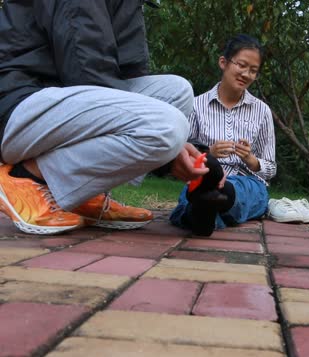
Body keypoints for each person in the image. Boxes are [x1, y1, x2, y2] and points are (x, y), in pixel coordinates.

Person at [0, 0, 208, 235]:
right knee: (168, 126)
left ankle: (85, 196)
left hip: (60, 98)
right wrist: (168, 152)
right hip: (18, 105)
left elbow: (126, 73)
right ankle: (23, 177)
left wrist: (171, 147)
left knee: (177, 91)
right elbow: (88, 70)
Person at [170, 34, 277, 236]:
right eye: (242, 65)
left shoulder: (262, 111)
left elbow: (270, 169)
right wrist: (209, 153)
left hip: (248, 181)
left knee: (213, 195)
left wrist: (251, 159)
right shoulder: (196, 105)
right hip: (203, 177)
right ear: (223, 62)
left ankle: (203, 210)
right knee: (201, 184)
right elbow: (182, 155)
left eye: (253, 71)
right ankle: (209, 204)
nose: (246, 74)